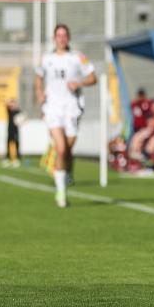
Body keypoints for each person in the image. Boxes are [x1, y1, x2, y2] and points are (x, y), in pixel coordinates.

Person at [34, 24, 97, 207]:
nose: (61, 38)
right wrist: (39, 93)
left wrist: (79, 83)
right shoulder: (46, 58)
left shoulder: (78, 57)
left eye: (64, 35)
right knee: (61, 149)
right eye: (58, 35)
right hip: (53, 108)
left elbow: (93, 77)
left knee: (68, 150)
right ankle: (60, 193)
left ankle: (65, 170)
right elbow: (38, 78)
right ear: (54, 38)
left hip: (72, 108)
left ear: (68, 38)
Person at [3, 98, 23, 168]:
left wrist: (15, 105)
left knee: (16, 144)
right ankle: (8, 158)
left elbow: (21, 118)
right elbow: (6, 105)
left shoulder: (17, 111)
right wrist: (9, 102)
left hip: (15, 130)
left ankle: (17, 158)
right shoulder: (10, 111)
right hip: (9, 129)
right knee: (8, 144)